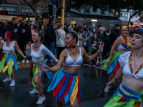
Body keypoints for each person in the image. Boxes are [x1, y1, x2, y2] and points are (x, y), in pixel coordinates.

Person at [40, 32, 104, 107]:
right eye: (65, 39)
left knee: (74, 105)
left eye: (67, 38)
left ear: (74, 40)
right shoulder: (64, 52)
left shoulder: (81, 50)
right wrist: (50, 69)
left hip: (74, 79)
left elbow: (88, 59)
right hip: (62, 78)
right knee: (59, 101)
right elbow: (58, 66)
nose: (65, 41)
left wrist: (99, 51)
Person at [104, 29, 143, 107]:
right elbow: (120, 71)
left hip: (136, 101)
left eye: (137, 37)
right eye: (133, 36)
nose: (133, 39)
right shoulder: (126, 56)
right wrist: (113, 81)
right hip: (120, 97)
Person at [26, 32, 58, 104]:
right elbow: (28, 55)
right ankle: (36, 89)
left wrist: (58, 62)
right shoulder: (31, 45)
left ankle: (42, 96)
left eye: (35, 35)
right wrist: (27, 49)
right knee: (34, 80)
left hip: (40, 66)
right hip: (33, 65)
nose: (33, 37)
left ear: (39, 38)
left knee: (37, 80)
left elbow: (50, 54)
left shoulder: (42, 47)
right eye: (33, 35)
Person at [102, 26, 132, 93]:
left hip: (127, 58)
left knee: (124, 74)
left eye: (126, 30)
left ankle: (120, 89)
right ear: (121, 32)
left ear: (128, 31)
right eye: (124, 30)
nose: (125, 32)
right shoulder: (119, 39)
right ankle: (108, 86)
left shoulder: (130, 39)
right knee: (113, 74)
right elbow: (112, 49)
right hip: (118, 58)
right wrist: (110, 59)